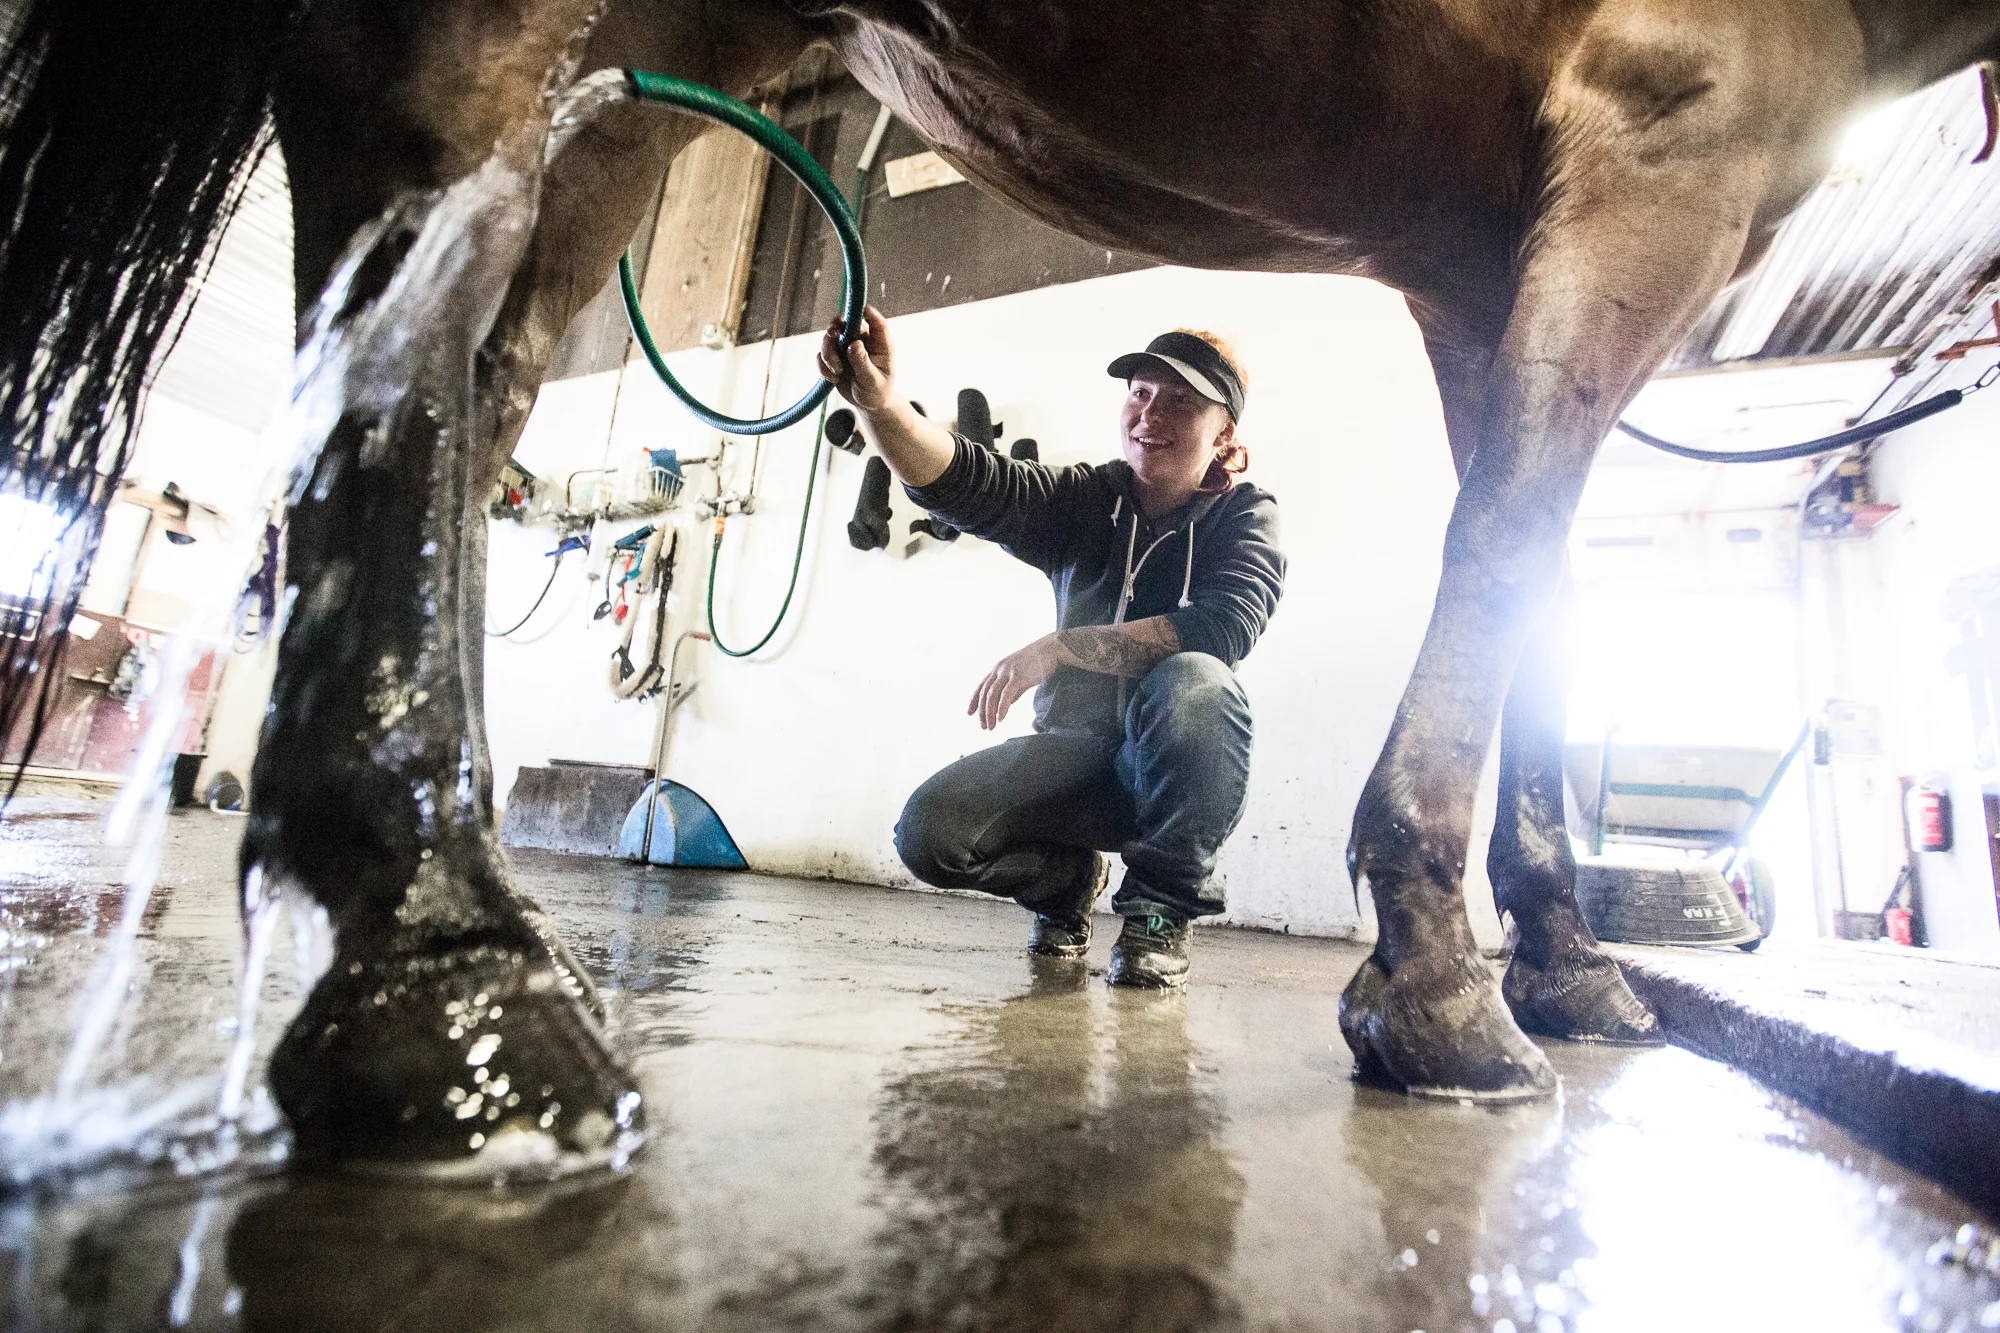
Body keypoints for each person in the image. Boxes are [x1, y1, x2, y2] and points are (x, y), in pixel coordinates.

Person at [818, 308, 1285, 988]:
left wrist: (1061, 647)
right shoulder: (1086, 498)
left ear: (1224, 433)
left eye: (1182, 402)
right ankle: (1065, 884)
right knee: (929, 835)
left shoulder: (1245, 516)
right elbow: (969, 481)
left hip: (1165, 772)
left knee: (1199, 681)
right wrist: (881, 405)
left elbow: (1222, 628)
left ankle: (1158, 914)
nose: (1151, 414)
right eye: (1141, 393)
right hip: (1071, 758)